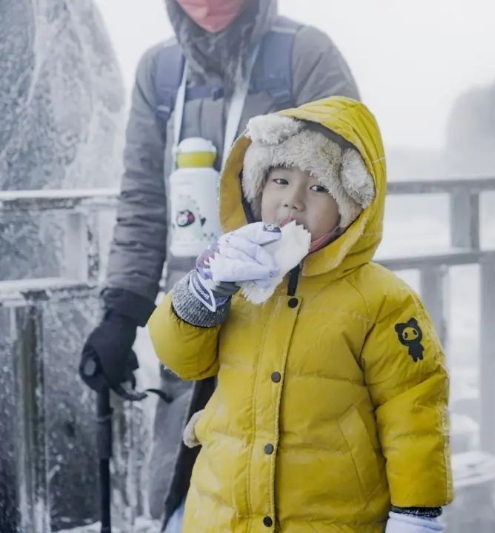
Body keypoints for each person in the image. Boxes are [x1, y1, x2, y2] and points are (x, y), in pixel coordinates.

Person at [77, 0, 360, 525]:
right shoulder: (159, 74)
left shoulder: (304, 56)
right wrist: (122, 312)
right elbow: (144, 198)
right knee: (185, 501)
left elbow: (348, 192)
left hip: (291, 337)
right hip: (192, 327)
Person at [147, 96, 453, 532]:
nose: (292, 201)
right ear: (255, 188)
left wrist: (416, 513)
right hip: (222, 513)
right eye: (279, 179)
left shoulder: (383, 300)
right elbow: (182, 359)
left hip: (332, 517)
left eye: (318, 187)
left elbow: (415, 410)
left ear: (351, 206)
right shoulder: (229, 277)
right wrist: (204, 288)